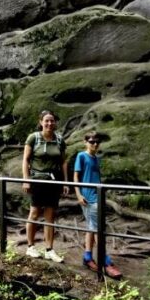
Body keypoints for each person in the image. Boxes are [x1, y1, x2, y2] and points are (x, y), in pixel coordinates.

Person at [21, 110, 69, 262]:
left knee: (50, 216)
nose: (49, 123)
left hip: (54, 182)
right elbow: (25, 160)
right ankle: (30, 247)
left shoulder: (59, 140)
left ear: (55, 123)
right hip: (37, 180)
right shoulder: (33, 138)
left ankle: (49, 249)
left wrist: (66, 181)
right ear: (41, 122)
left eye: (52, 121)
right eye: (46, 121)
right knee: (34, 212)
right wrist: (26, 179)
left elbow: (63, 162)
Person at [73, 131, 121, 278]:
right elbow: (75, 176)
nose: (95, 144)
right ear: (85, 142)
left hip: (97, 196)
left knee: (92, 227)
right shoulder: (82, 156)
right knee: (99, 229)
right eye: (92, 141)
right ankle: (105, 261)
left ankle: (88, 257)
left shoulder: (96, 158)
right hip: (87, 197)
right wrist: (78, 195)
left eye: (97, 142)